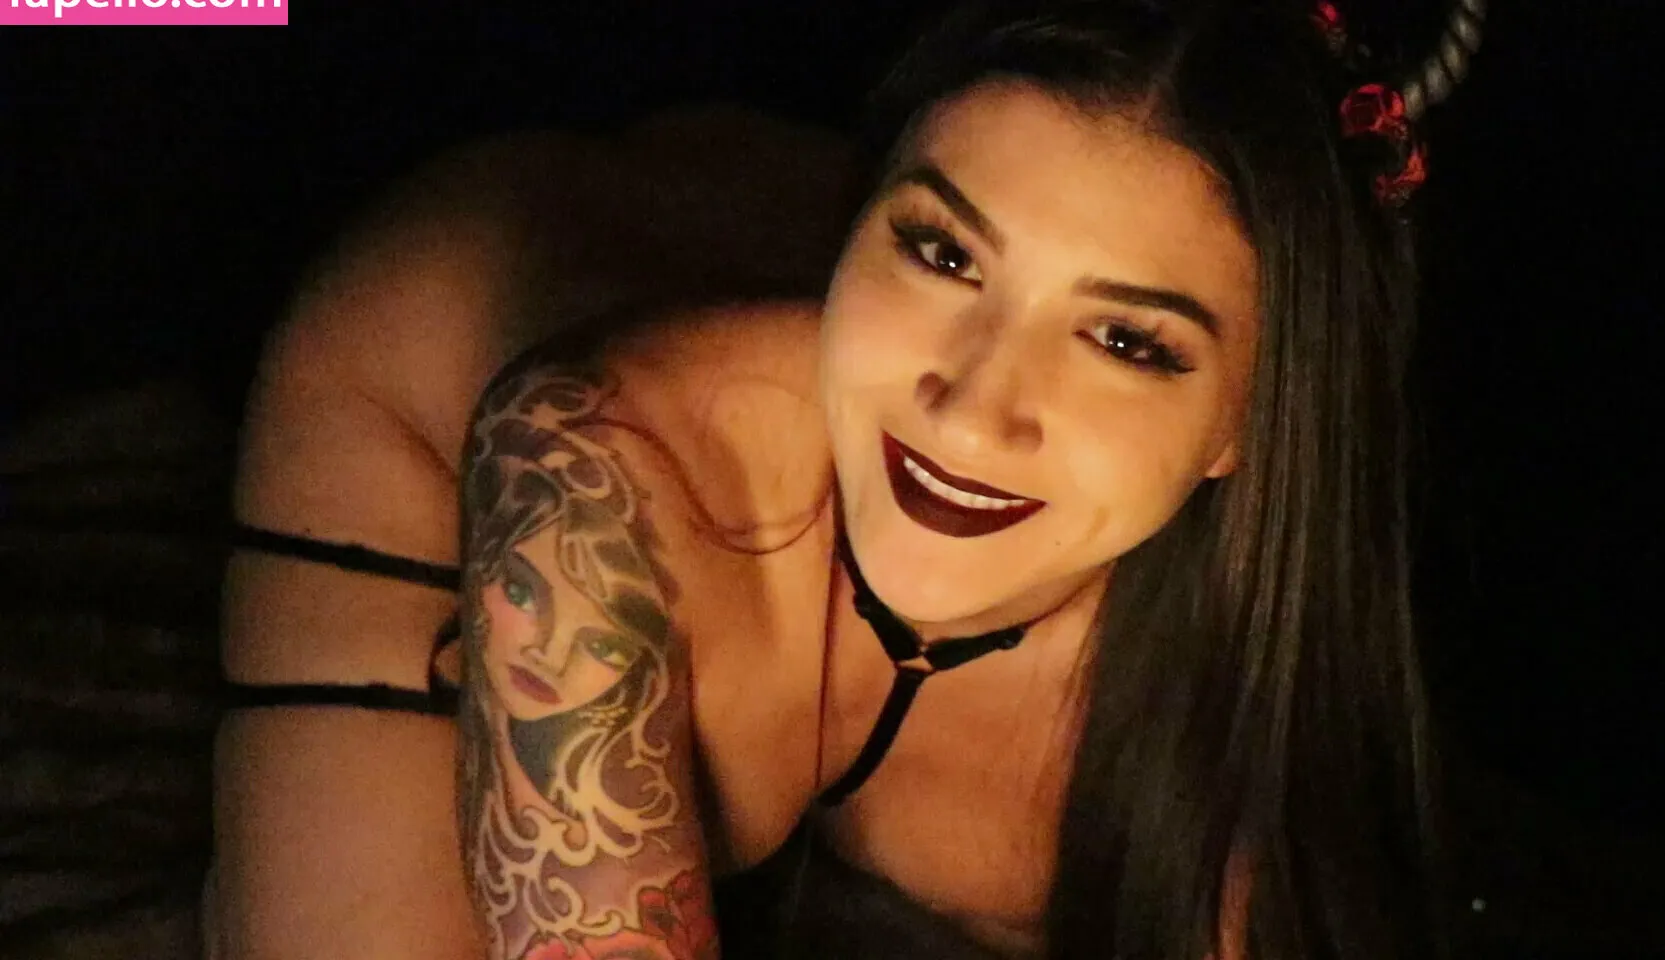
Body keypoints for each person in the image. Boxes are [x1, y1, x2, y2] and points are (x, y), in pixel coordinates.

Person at [214, 0, 1485, 957]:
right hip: (443, 365)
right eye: (939, 251)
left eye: (1124, 341)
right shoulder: (597, 476)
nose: (973, 412)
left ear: (1247, 429)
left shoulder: (1239, 678)